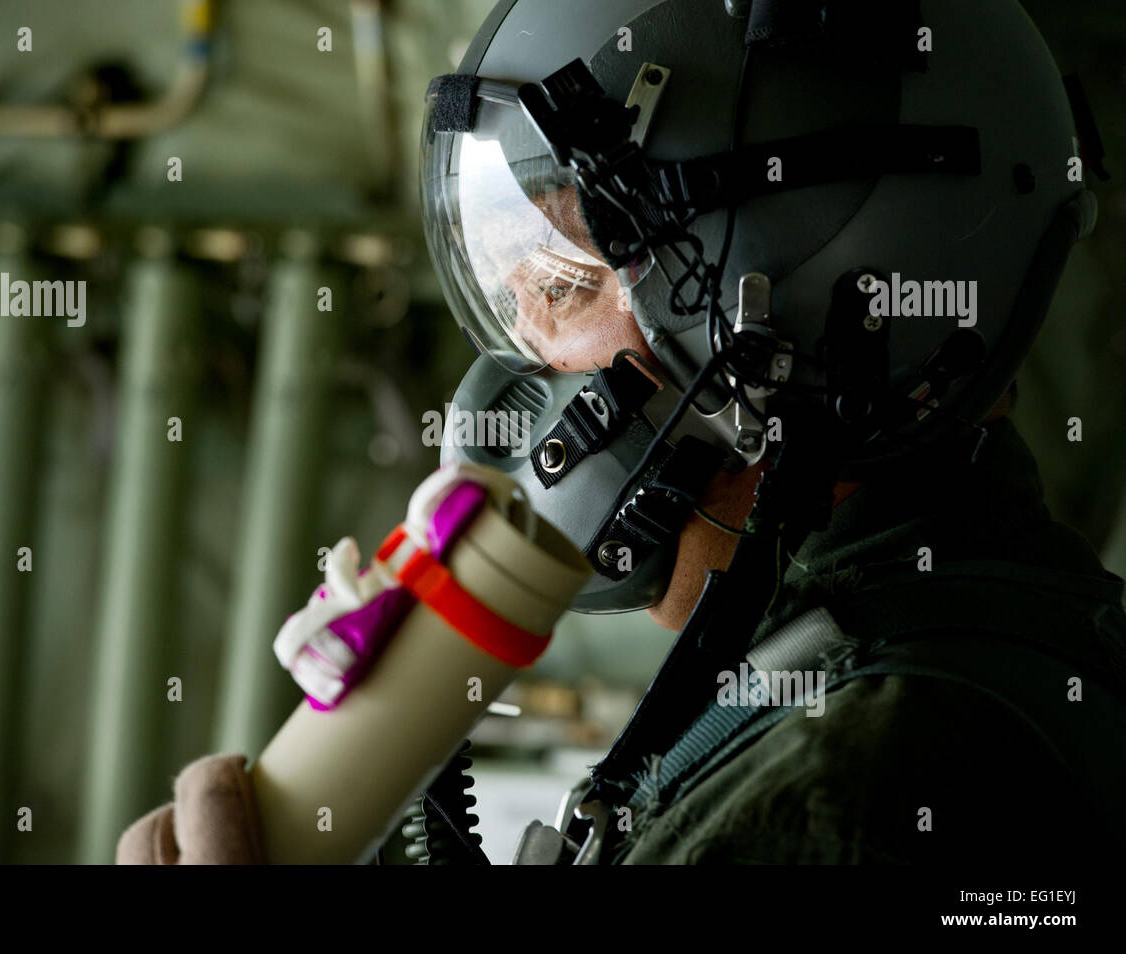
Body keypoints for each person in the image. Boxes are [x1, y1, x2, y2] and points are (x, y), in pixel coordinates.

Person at [118, 0, 1126, 865]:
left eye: (560, 284)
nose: (512, 377)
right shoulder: (916, 662)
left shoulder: (872, 775)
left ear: (809, 310)